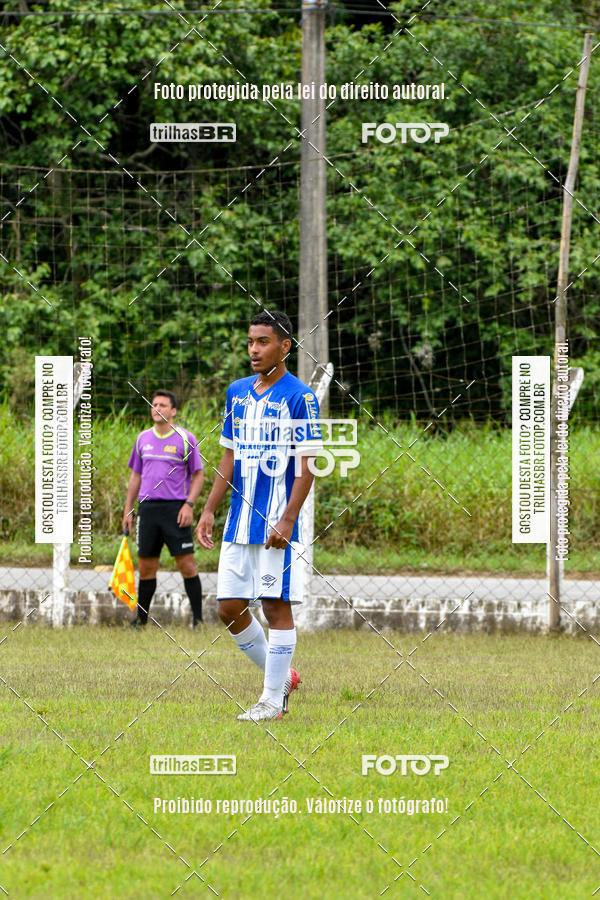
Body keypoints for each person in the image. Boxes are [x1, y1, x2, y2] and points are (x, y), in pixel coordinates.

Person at [196, 310, 322, 722]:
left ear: (284, 346)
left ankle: (271, 700)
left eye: (263, 341)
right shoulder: (237, 392)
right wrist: (210, 509)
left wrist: (288, 520)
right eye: (251, 341)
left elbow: (308, 465)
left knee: (274, 606)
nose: (253, 349)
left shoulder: (300, 397)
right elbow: (228, 456)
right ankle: (284, 677)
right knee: (229, 607)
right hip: (238, 521)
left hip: (274, 521)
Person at [122, 389, 204, 627]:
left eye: (163, 405)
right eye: (154, 404)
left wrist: (189, 505)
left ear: (173, 411)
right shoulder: (142, 439)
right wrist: (129, 509)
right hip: (148, 511)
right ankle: (141, 620)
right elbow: (135, 476)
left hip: (175, 510)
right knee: (146, 568)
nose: (157, 408)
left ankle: (198, 621)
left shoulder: (185, 438)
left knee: (186, 565)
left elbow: (198, 475)